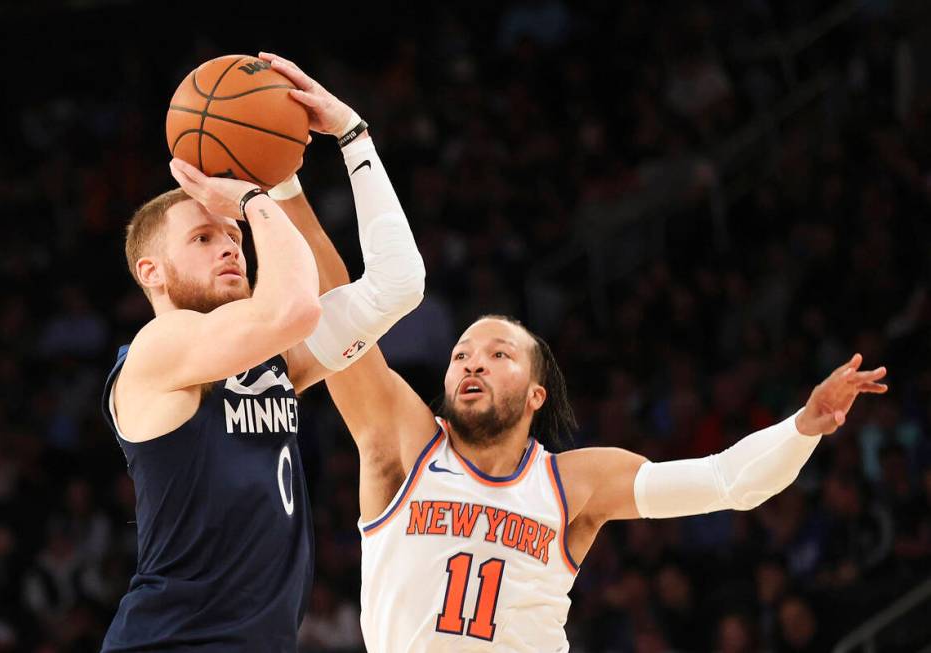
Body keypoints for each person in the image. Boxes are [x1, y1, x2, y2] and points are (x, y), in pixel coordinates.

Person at [260, 56, 891, 652]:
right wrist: (286, 176)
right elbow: (341, 302)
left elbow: (727, 482)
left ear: (537, 394)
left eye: (499, 354)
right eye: (461, 354)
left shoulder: (574, 484)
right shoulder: (400, 440)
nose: (472, 362)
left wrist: (805, 425)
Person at [99, 58, 425, 652]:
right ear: (151, 272)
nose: (231, 246)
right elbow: (293, 309)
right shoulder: (157, 351)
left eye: (233, 236)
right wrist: (255, 196)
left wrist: (352, 134)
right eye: (203, 238)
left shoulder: (271, 366)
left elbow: (397, 287)